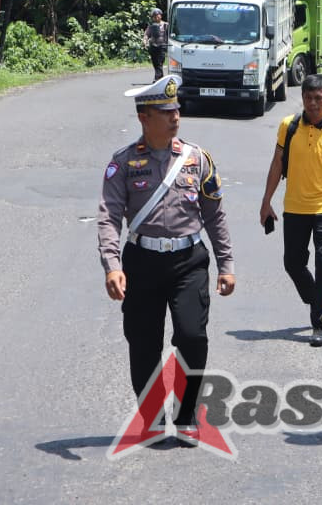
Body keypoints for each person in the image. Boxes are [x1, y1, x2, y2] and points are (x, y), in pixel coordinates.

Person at [97, 74, 236, 446]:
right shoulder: (124, 163)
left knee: (193, 336)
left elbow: (215, 215)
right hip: (141, 261)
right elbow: (109, 217)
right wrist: (112, 265)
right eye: (165, 112)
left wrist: (226, 265)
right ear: (144, 117)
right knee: (143, 343)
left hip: (189, 260)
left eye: (177, 110)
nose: (175, 117)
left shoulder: (197, 159)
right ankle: (153, 418)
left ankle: (187, 415)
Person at [259, 75, 322, 347]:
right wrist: (266, 201)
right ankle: (317, 298)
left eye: (318, 99)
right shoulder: (287, 126)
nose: (313, 103)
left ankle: (319, 324)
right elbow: (277, 163)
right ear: (302, 98)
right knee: (292, 263)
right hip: (294, 206)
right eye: (308, 98)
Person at [143, 8, 168, 82]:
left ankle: (157, 78)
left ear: (160, 16)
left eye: (157, 15)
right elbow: (146, 35)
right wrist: (145, 41)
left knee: (160, 63)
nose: (156, 17)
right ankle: (161, 78)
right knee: (155, 63)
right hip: (153, 46)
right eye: (154, 16)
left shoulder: (166, 25)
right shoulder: (151, 26)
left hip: (162, 46)